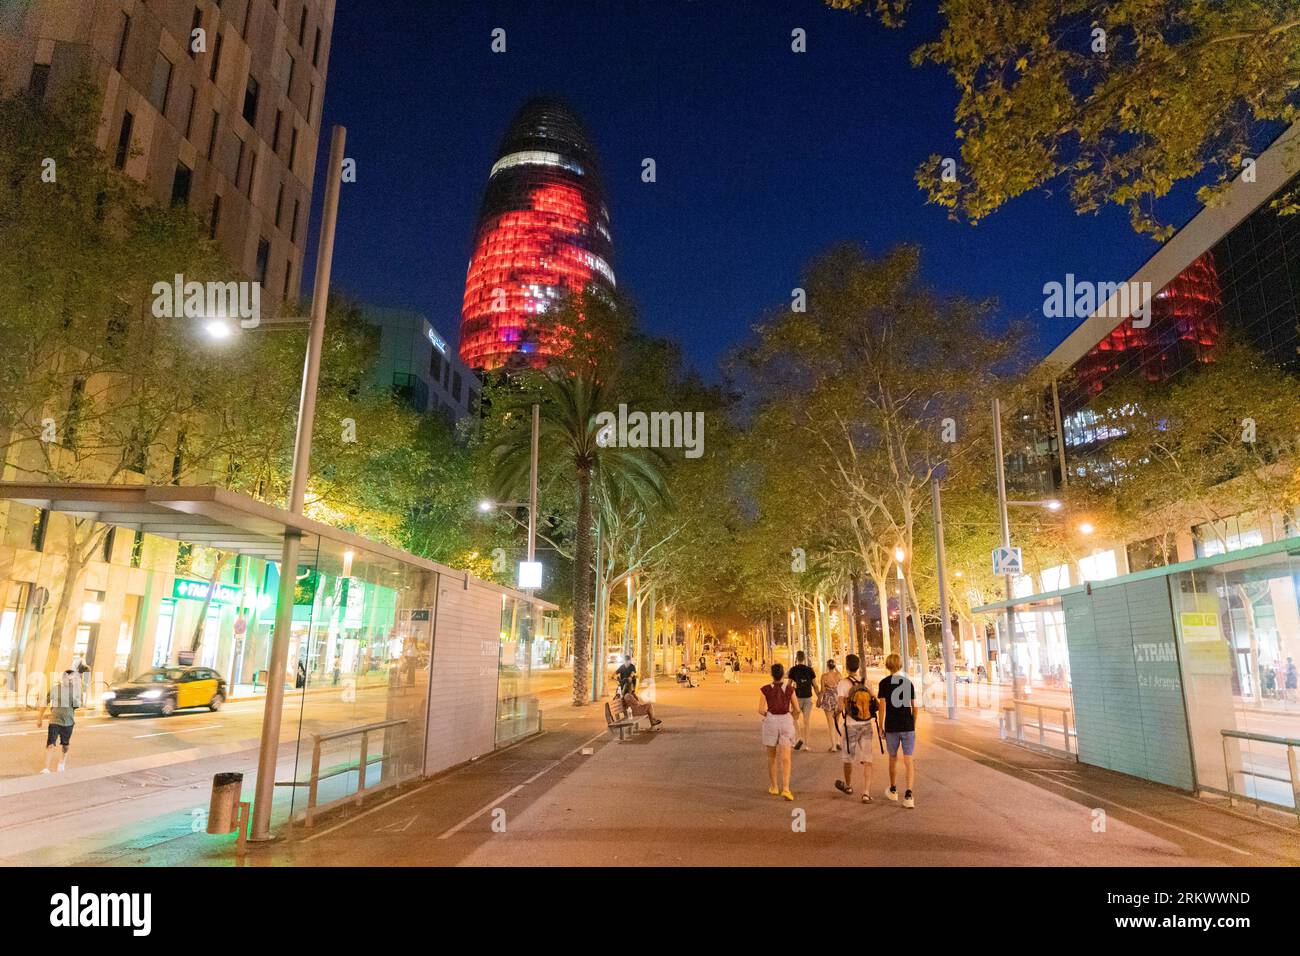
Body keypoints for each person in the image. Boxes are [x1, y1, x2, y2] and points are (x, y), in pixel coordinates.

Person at [834, 654, 880, 802]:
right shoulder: (867, 683)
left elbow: (840, 706)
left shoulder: (843, 683)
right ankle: (866, 793)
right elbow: (875, 703)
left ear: (846, 667)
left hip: (850, 726)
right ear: (858, 666)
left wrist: (836, 714)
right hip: (866, 725)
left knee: (848, 759)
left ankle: (848, 786)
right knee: (868, 760)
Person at [879, 653, 918, 808]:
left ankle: (893, 790)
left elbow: (882, 706)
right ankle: (908, 795)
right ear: (900, 665)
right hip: (907, 726)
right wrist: (912, 725)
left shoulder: (884, 683)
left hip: (892, 726)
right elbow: (915, 708)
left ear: (888, 666)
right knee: (908, 760)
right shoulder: (908, 683)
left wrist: (881, 726)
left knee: (892, 758)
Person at [759, 663, 796, 800]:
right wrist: (792, 716)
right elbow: (796, 708)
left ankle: (774, 786)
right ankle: (786, 788)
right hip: (786, 720)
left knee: (771, 756)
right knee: (786, 757)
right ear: (783, 674)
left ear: (772, 674)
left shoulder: (766, 689)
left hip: (771, 721)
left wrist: (769, 714)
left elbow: (760, 709)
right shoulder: (790, 689)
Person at [36, 669, 81, 774]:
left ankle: (62, 761)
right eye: (67, 678)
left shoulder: (76, 691)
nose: (69, 680)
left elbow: (76, 706)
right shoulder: (55, 689)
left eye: (72, 679)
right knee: (50, 744)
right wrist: (39, 717)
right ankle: (46, 768)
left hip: (68, 722)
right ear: (63, 678)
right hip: (54, 720)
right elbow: (45, 702)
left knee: (65, 745)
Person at [787, 650, 817, 751]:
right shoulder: (810, 670)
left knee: (794, 718)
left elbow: (788, 685)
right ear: (804, 658)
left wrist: (787, 698)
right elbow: (815, 685)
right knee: (806, 721)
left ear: (797, 658)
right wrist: (819, 697)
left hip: (797, 698)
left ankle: (798, 738)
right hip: (808, 697)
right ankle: (807, 745)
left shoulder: (793, 670)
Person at [818, 660, 842, 751]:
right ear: (834, 666)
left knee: (830, 723)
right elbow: (841, 683)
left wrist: (819, 699)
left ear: (827, 666)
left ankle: (833, 746)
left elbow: (823, 690)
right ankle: (838, 742)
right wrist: (836, 669)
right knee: (837, 721)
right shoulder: (839, 675)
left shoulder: (824, 676)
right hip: (837, 699)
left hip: (828, 699)